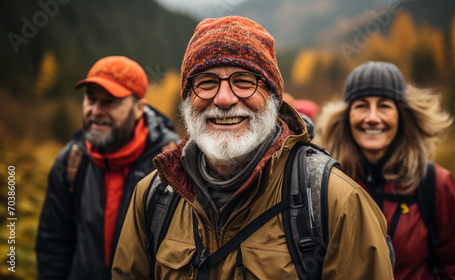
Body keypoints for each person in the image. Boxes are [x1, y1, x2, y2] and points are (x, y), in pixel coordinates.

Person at [112, 16, 394, 279]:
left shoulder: (335, 202)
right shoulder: (153, 195)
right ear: (187, 100)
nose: (223, 99)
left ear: (273, 98)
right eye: (207, 83)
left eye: (244, 82)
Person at [314, 61, 455, 279]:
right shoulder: (327, 183)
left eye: (384, 105)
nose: (372, 118)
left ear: (402, 116)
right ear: (346, 116)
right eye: (361, 105)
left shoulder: (434, 183)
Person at [36, 56, 180, 280]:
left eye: (111, 101)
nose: (96, 110)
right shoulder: (70, 161)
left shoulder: (171, 166)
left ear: (139, 108)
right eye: (91, 99)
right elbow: (53, 246)